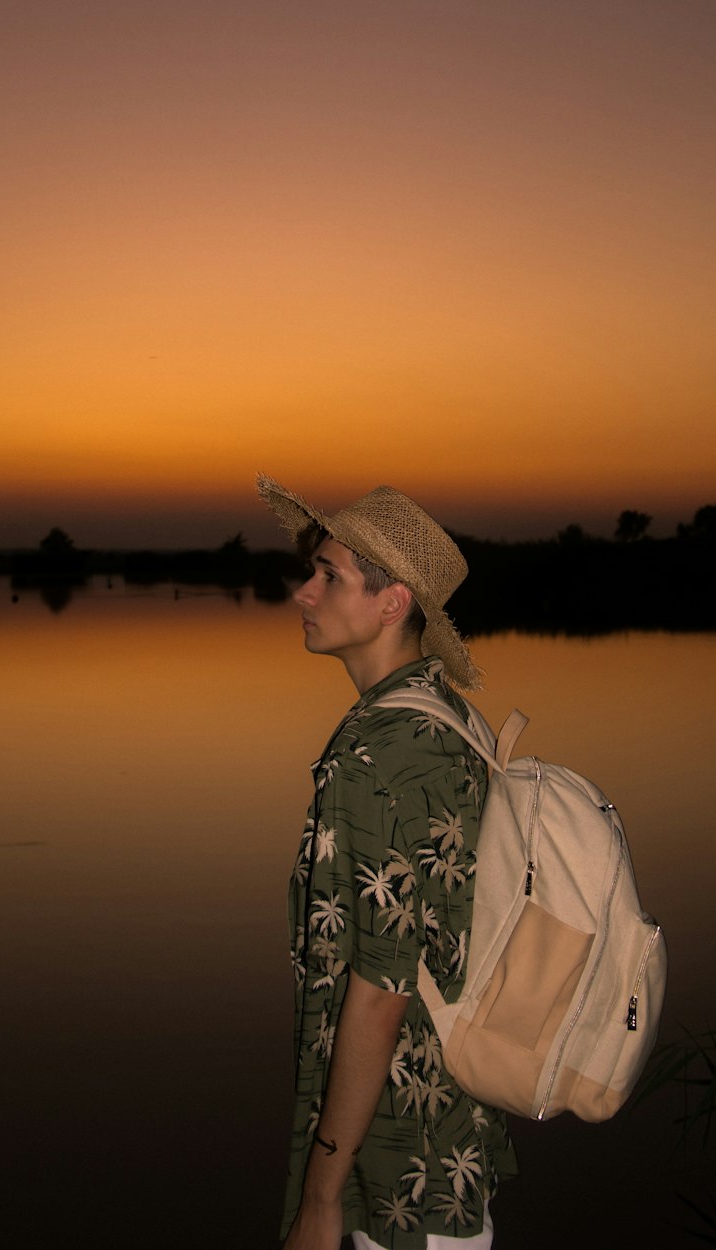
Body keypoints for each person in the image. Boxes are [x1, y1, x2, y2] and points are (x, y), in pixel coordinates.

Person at [256, 475, 517, 1250]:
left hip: (398, 1173)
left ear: (392, 603)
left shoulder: (375, 754)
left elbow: (379, 992)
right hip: (452, 1134)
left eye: (328, 576)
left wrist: (322, 1197)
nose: (303, 593)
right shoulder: (445, 716)